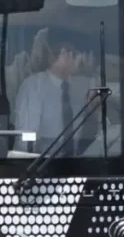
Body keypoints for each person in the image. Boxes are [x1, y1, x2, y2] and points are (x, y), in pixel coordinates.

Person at [13, 26, 94, 154]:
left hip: (79, 165)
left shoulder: (83, 86)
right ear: (59, 54)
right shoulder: (34, 87)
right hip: (42, 167)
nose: (78, 58)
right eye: (72, 52)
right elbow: (27, 139)